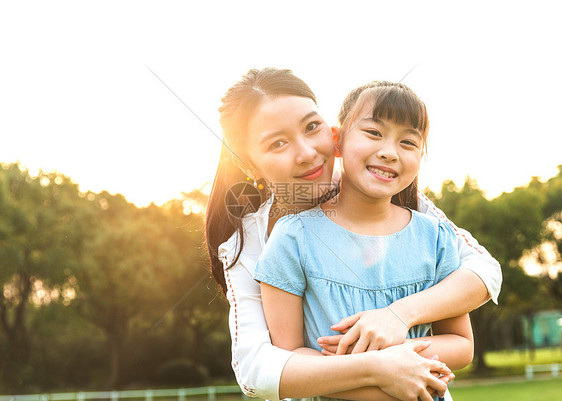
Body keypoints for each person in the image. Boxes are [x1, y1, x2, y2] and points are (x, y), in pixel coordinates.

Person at [205, 68, 502, 401]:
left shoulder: (405, 205)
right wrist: (382, 368)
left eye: (311, 127)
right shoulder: (254, 243)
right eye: (277, 143)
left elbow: (484, 270)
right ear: (248, 165)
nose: (306, 152)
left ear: (334, 136)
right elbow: (257, 370)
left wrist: (397, 316)